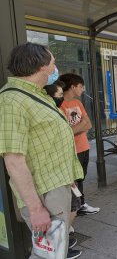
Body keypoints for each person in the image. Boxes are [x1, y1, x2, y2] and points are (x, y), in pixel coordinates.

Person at [0, 42, 84, 259]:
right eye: (53, 63)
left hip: (56, 184)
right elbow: (14, 160)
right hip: (45, 193)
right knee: (49, 254)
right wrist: (36, 209)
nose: (55, 67)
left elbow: (48, 143)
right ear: (40, 66)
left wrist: (68, 176)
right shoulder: (12, 100)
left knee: (55, 251)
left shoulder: (36, 94)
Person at [44, 81, 82, 258]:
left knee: (72, 206)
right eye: (58, 95)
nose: (60, 98)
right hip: (56, 175)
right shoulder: (49, 115)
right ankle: (60, 248)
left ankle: (62, 241)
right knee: (62, 212)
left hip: (66, 171)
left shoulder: (56, 112)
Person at [59, 73, 100, 216]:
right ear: (73, 86)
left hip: (84, 147)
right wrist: (79, 126)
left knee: (81, 178)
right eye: (81, 86)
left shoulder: (78, 103)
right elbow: (64, 133)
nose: (83, 90)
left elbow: (88, 124)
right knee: (73, 179)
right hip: (71, 150)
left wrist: (75, 129)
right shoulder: (59, 104)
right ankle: (74, 207)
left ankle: (81, 204)